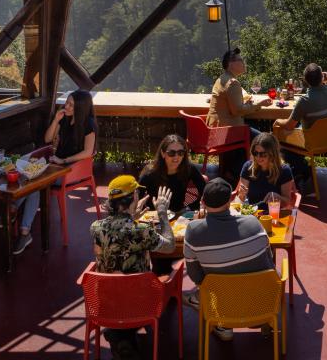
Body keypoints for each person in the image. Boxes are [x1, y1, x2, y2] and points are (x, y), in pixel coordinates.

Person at [88, 175, 174, 359]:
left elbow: (102, 249)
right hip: (139, 304)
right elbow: (170, 246)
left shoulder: (96, 227)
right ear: (134, 196)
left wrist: (132, 217)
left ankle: (119, 336)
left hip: (105, 303)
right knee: (164, 281)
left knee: (121, 293)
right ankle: (123, 338)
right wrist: (162, 214)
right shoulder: (141, 231)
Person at [182, 178, 274, 340]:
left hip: (223, 308)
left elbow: (195, 277)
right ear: (230, 200)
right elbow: (269, 260)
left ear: (203, 202)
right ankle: (265, 323)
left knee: (202, 286)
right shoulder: (253, 222)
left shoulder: (193, 231)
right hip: (264, 304)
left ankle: (221, 324)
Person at [14, 89, 97, 254]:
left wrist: (63, 161)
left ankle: (14, 214)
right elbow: (47, 139)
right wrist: (55, 121)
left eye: (72, 104)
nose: (67, 106)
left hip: (71, 169)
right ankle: (23, 229)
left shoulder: (89, 124)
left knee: (36, 182)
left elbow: (88, 152)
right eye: (67, 102)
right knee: (31, 177)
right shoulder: (65, 119)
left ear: (81, 107)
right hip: (55, 166)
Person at [273, 62, 327, 186]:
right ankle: (302, 169)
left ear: (306, 81)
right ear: (322, 76)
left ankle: (302, 169)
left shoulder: (305, 101)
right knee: (295, 132)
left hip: (312, 143)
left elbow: (289, 125)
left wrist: (278, 121)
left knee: (279, 135)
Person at [139, 134, 206, 213]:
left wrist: (194, 208)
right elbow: (137, 198)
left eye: (180, 152)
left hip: (179, 215)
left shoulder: (189, 169)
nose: (176, 157)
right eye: (171, 153)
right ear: (163, 153)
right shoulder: (150, 172)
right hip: (154, 216)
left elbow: (205, 191)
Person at [235, 132, 296, 210]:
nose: (258, 157)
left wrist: (278, 197)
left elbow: (287, 202)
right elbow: (239, 201)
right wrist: (242, 195)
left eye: (263, 154)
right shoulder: (248, 167)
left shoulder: (284, 170)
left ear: (272, 154)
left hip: (275, 214)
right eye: (255, 153)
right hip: (253, 214)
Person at [207, 47, 261, 130]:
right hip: (226, 132)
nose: (244, 62)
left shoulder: (221, 79)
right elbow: (238, 111)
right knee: (265, 139)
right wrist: (259, 104)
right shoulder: (232, 83)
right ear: (230, 64)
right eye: (240, 60)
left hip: (215, 128)